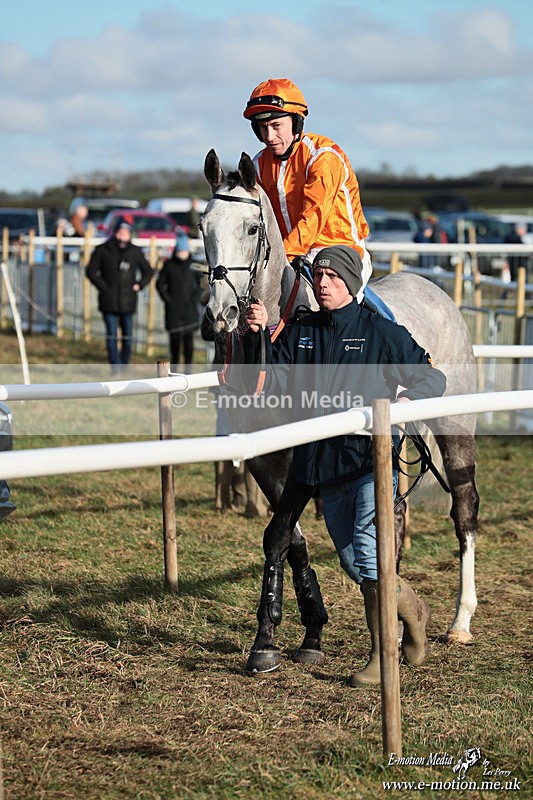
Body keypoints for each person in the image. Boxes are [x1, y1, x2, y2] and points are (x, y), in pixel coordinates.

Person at [244, 245, 447, 686]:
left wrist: (408, 402)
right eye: (318, 276)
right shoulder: (302, 331)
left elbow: (431, 376)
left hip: (370, 463)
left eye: (333, 277)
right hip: (322, 466)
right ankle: (414, 610)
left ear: (352, 284)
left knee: (369, 556)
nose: (322, 284)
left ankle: (382, 656)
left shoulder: (381, 333)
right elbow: (268, 379)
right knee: (355, 563)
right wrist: (257, 334)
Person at [243, 77, 372, 298]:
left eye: (276, 126)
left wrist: (278, 257)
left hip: (338, 252)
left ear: (296, 122)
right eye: (263, 128)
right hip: (290, 256)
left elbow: (313, 218)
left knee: (328, 304)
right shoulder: (258, 165)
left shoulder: (323, 157)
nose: (269, 136)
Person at [86, 218, 154, 372]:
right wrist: (104, 287)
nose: (122, 236)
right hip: (108, 300)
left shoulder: (134, 252)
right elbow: (91, 271)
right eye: (120, 232)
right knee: (111, 335)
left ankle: (124, 365)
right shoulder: (103, 250)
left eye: (126, 233)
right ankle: (115, 366)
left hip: (128, 301)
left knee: (127, 336)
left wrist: (139, 285)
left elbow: (148, 271)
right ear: (115, 233)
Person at [156, 230, 202, 372]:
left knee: (188, 342)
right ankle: (174, 370)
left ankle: (188, 370)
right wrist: (168, 300)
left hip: (189, 309)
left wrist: (195, 298)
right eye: (180, 251)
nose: (182, 253)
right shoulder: (169, 265)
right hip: (173, 310)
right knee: (175, 342)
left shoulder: (194, 265)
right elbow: (160, 285)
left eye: (184, 251)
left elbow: (201, 284)